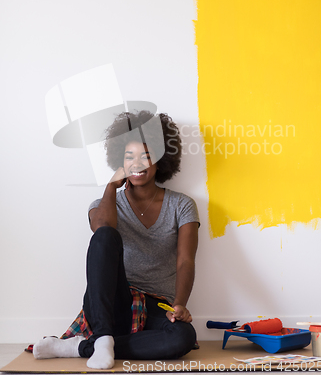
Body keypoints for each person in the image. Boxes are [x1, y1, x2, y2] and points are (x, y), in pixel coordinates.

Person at [33, 110, 200, 370]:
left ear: (159, 159)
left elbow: (185, 261)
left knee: (184, 337)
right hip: (113, 303)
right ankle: (102, 337)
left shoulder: (182, 205)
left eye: (146, 155)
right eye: (129, 156)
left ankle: (83, 346)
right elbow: (101, 231)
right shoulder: (103, 205)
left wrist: (179, 305)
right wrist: (112, 186)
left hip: (157, 305)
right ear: (119, 161)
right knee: (106, 236)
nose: (138, 163)